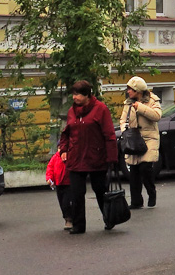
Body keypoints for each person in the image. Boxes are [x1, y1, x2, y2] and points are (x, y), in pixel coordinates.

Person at [56, 79, 117, 235]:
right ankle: (78, 225)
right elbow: (66, 133)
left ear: (87, 95)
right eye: (73, 94)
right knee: (76, 192)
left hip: (96, 157)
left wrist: (112, 159)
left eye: (77, 95)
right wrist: (63, 149)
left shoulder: (101, 109)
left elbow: (109, 135)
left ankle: (109, 219)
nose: (74, 98)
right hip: (76, 158)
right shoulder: (72, 111)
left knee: (100, 190)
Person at [120, 76, 162, 209]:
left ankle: (151, 192)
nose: (128, 92)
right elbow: (122, 120)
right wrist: (124, 131)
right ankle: (136, 201)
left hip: (149, 138)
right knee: (134, 170)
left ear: (138, 90)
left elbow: (157, 116)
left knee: (145, 167)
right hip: (133, 138)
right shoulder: (128, 103)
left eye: (130, 89)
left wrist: (141, 107)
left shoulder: (152, 100)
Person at [45, 148, 72, 230]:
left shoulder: (69, 156)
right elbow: (50, 168)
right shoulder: (55, 157)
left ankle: (69, 219)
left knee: (66, 202)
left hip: (68, 184)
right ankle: (67, 218)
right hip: (58, 184)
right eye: (59, 147)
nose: (61, 149)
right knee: (62, 203)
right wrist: (49, 178)